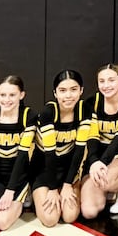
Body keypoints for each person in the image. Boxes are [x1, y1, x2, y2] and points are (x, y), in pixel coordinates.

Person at [80, 64, 118, 218]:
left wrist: (102, 163)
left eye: (111, 80)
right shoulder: (91, 102)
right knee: (89, 212)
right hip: (97, 154)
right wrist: (94, 161)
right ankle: (107, 187)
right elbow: (92, 137)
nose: (106, 85)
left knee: (106, 181)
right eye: (102, 81)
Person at [0, 75, 38, 232]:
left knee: (2, 223)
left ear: (22, 95)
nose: (7, 99)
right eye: (3, 95)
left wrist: (10, 192)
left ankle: (26, 193)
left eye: (12, 95)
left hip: (18, 179)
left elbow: (22, 157)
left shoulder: (28, 117)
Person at [31, 70, 89, 227]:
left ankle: (75, 187)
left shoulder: (84, 111)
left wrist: (68, 184)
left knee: (69, 216)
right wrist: (52, 189)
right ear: (55, 93)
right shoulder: (48, 113)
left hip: (68, 170)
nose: (68, 96)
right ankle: (33, 192)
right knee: (50, 219)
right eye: (62, 91)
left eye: (74, 89)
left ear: (81, 90)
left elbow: (79, 152)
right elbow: (49, 155)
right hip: (44, 170)